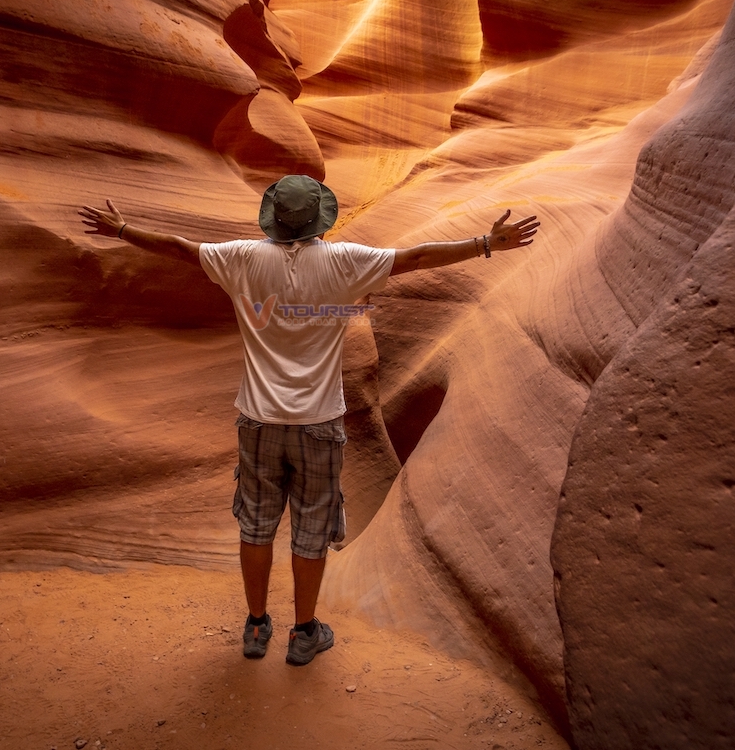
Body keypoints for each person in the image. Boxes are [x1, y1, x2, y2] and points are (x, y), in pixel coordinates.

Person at [79, 174, 539, 665]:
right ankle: (303, 633)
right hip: (319, 423)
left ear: (273, 220)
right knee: (311, 528)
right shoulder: (344, 262)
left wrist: (123, 230)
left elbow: (178, 248)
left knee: (255, 526)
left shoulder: (240, 258)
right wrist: (486, 244)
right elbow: (417, 258)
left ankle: (256, 628)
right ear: (320, 219)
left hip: (258, 421)